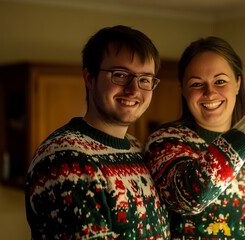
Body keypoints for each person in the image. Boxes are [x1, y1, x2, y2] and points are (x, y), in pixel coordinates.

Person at [144, 36, 245, 239]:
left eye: (220, 81)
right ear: (183, 89)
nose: (209, 92)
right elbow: (192, 196)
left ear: (237, 83)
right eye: (196, 84)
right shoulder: (165, 142)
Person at [25, 25, 170, 239]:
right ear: (90, 78)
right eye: (120, 75)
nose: (134, 89)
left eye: (145, 79)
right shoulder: (66, 160)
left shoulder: (136, 148)